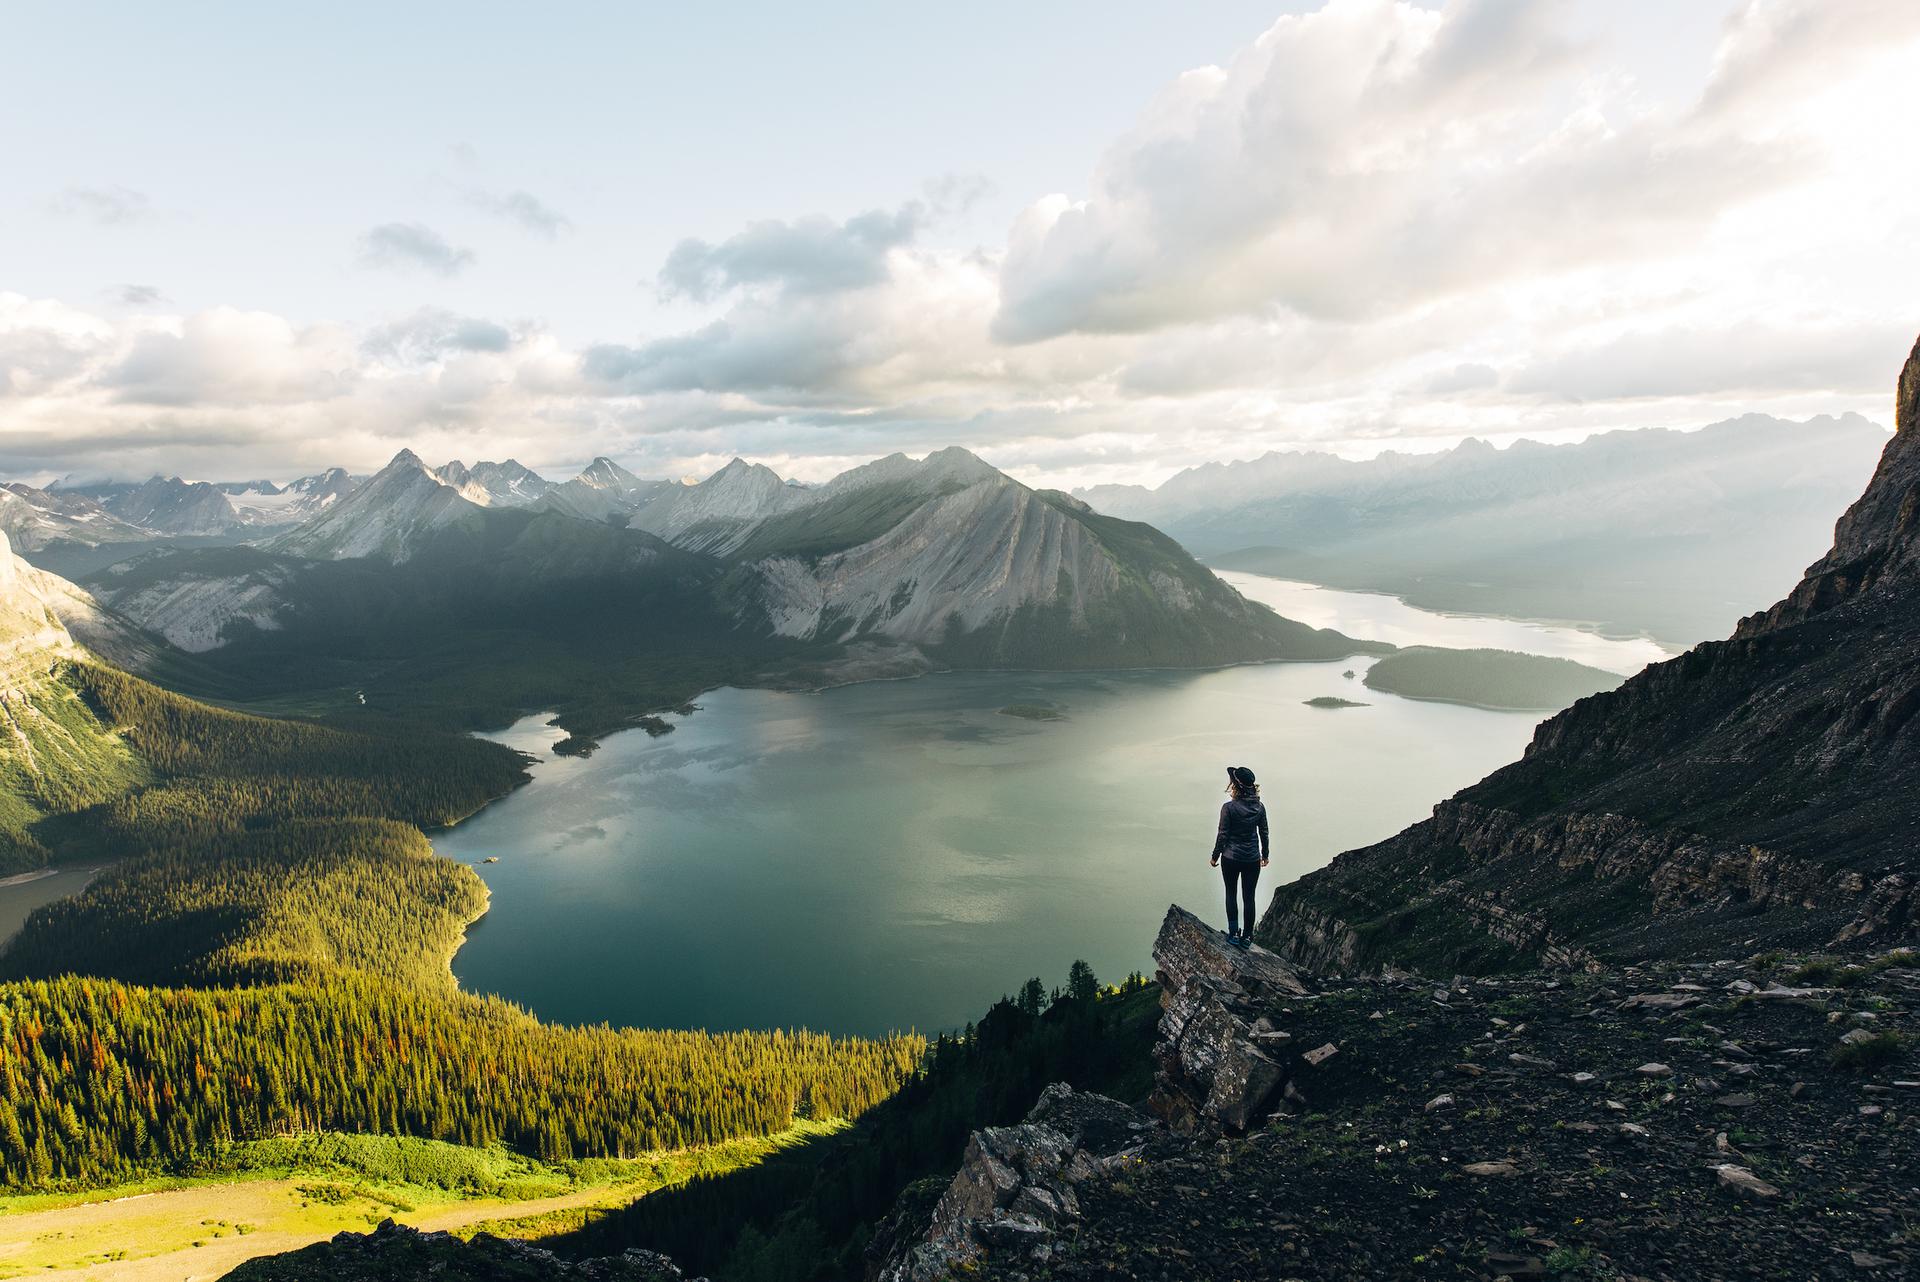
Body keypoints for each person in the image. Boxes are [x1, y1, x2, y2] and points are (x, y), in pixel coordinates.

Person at [1210, 765, 1269, 948]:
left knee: (1231, 893)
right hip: (1252, 858)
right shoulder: (1259, 807)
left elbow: (1223, 835)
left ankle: (1234, 934)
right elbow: (1264, 832)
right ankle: (1248, 937)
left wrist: (1215, 856)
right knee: (1249, 897)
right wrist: (1265, 854)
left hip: (1231, 857)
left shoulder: (1228, 808)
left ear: (1235, 786)